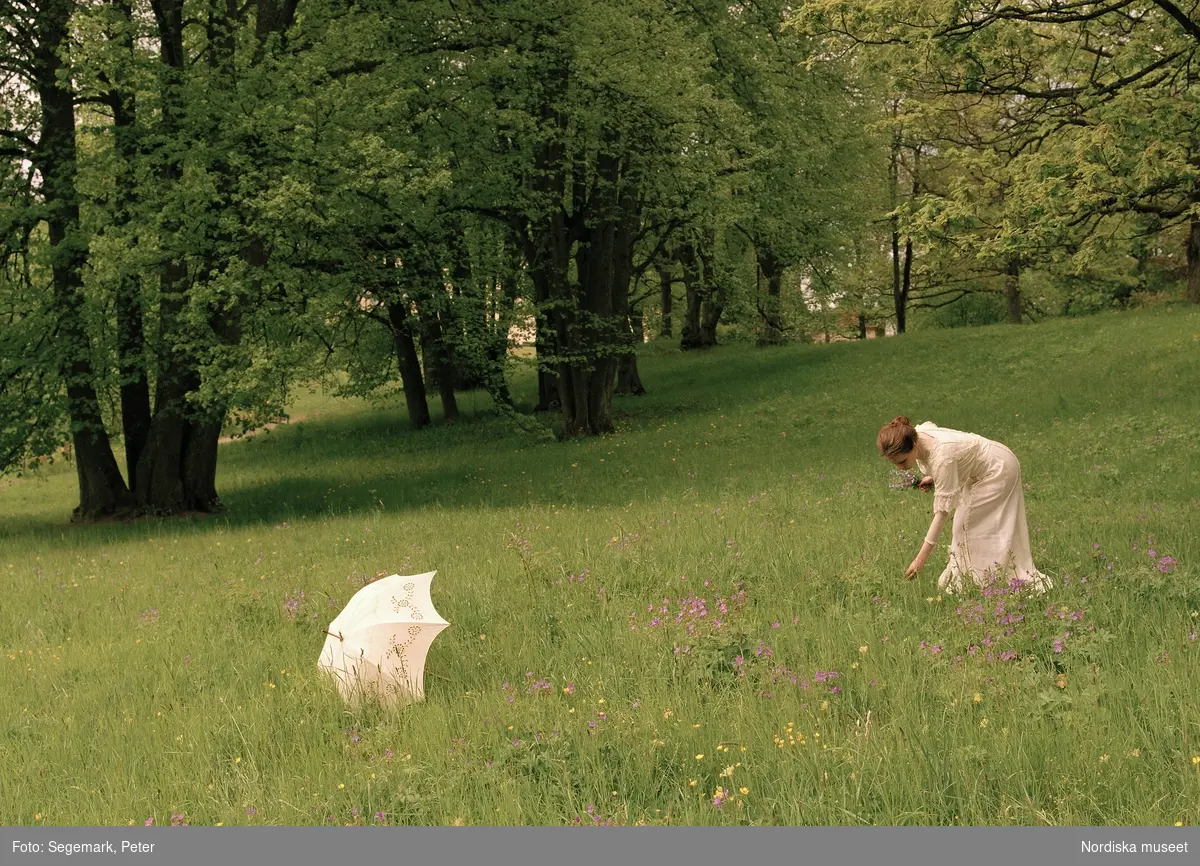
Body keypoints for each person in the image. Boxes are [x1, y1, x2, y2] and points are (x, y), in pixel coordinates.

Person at [877, 416, 1051, 595]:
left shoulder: (943, 457)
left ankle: (991, 580)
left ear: (913, 444)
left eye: (902, 462)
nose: (899, 468)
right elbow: (955, 458)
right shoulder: (916, 434)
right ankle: (979, 579)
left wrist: (920, 560)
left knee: (966, 527)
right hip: (981, 469)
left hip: (998, 469)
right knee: (964, 528)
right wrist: (934, 477)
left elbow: (942, 512)